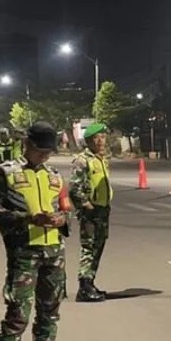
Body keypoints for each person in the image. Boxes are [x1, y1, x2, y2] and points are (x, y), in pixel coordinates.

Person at [0, 122, 67, 341]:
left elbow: (64, 211)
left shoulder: (54, 176)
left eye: (49, 151)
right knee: (17, 315)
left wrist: (61, 219)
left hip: (54, 253)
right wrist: (27, 219)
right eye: (40, 150)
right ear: (27, 145)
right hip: (24, 253)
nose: (45, 156)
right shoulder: (6, 173)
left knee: (50, 313)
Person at [69, 121, 114, 302]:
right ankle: (84, 287)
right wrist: (85, 205)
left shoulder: (101, 159)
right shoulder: (83, 160)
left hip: (103, 209)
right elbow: (74, 187)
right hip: (91, 211)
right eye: (97, 137)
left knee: (98, 247)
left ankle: (90, 282)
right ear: (89, 140)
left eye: (103, 136)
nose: (101, 140)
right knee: (89, 248)